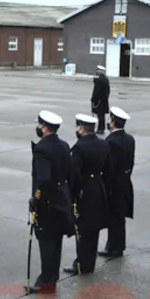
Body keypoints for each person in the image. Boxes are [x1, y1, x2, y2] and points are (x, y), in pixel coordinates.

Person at [28, 110, 74, 294]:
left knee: (46, 241)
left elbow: (44, 179)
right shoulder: (64, 145)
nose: (38, 128)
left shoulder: (42, 148)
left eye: (40, 125)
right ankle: (52, 277)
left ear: (45, 128)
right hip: (61, 198)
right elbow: (69, 172)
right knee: (56, 240)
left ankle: (46, 281)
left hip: (47, 202)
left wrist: (36, 199)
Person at [66, 114, 110, 275]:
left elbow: (74, 174)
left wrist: (72, 197)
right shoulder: (103, 144)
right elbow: (108, 167)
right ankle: (89, 263)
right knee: (94, 229)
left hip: (84, 191)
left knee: (83, 230)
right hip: (98, 187)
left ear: (82, 129)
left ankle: (82, 264)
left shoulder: (79, 147)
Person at [100, 107, 134, 258]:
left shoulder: (112, 141)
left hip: (115, 185)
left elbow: (109, 167)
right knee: (119, 217)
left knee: (114, 217)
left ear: (113, 123)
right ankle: (117, 246)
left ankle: (114, 247)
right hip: (125, 181)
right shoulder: (129, 139)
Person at [91, 65, 110, 134]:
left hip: (100, 101)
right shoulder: (105, 79)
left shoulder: (101, 80)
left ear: (101, 71)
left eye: (98, 70)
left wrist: (93, 99)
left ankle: (100, 129)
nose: (97, 71)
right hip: (104, 100)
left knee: (100, 115)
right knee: (101, 115)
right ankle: (101, 128)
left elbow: (97, 91)